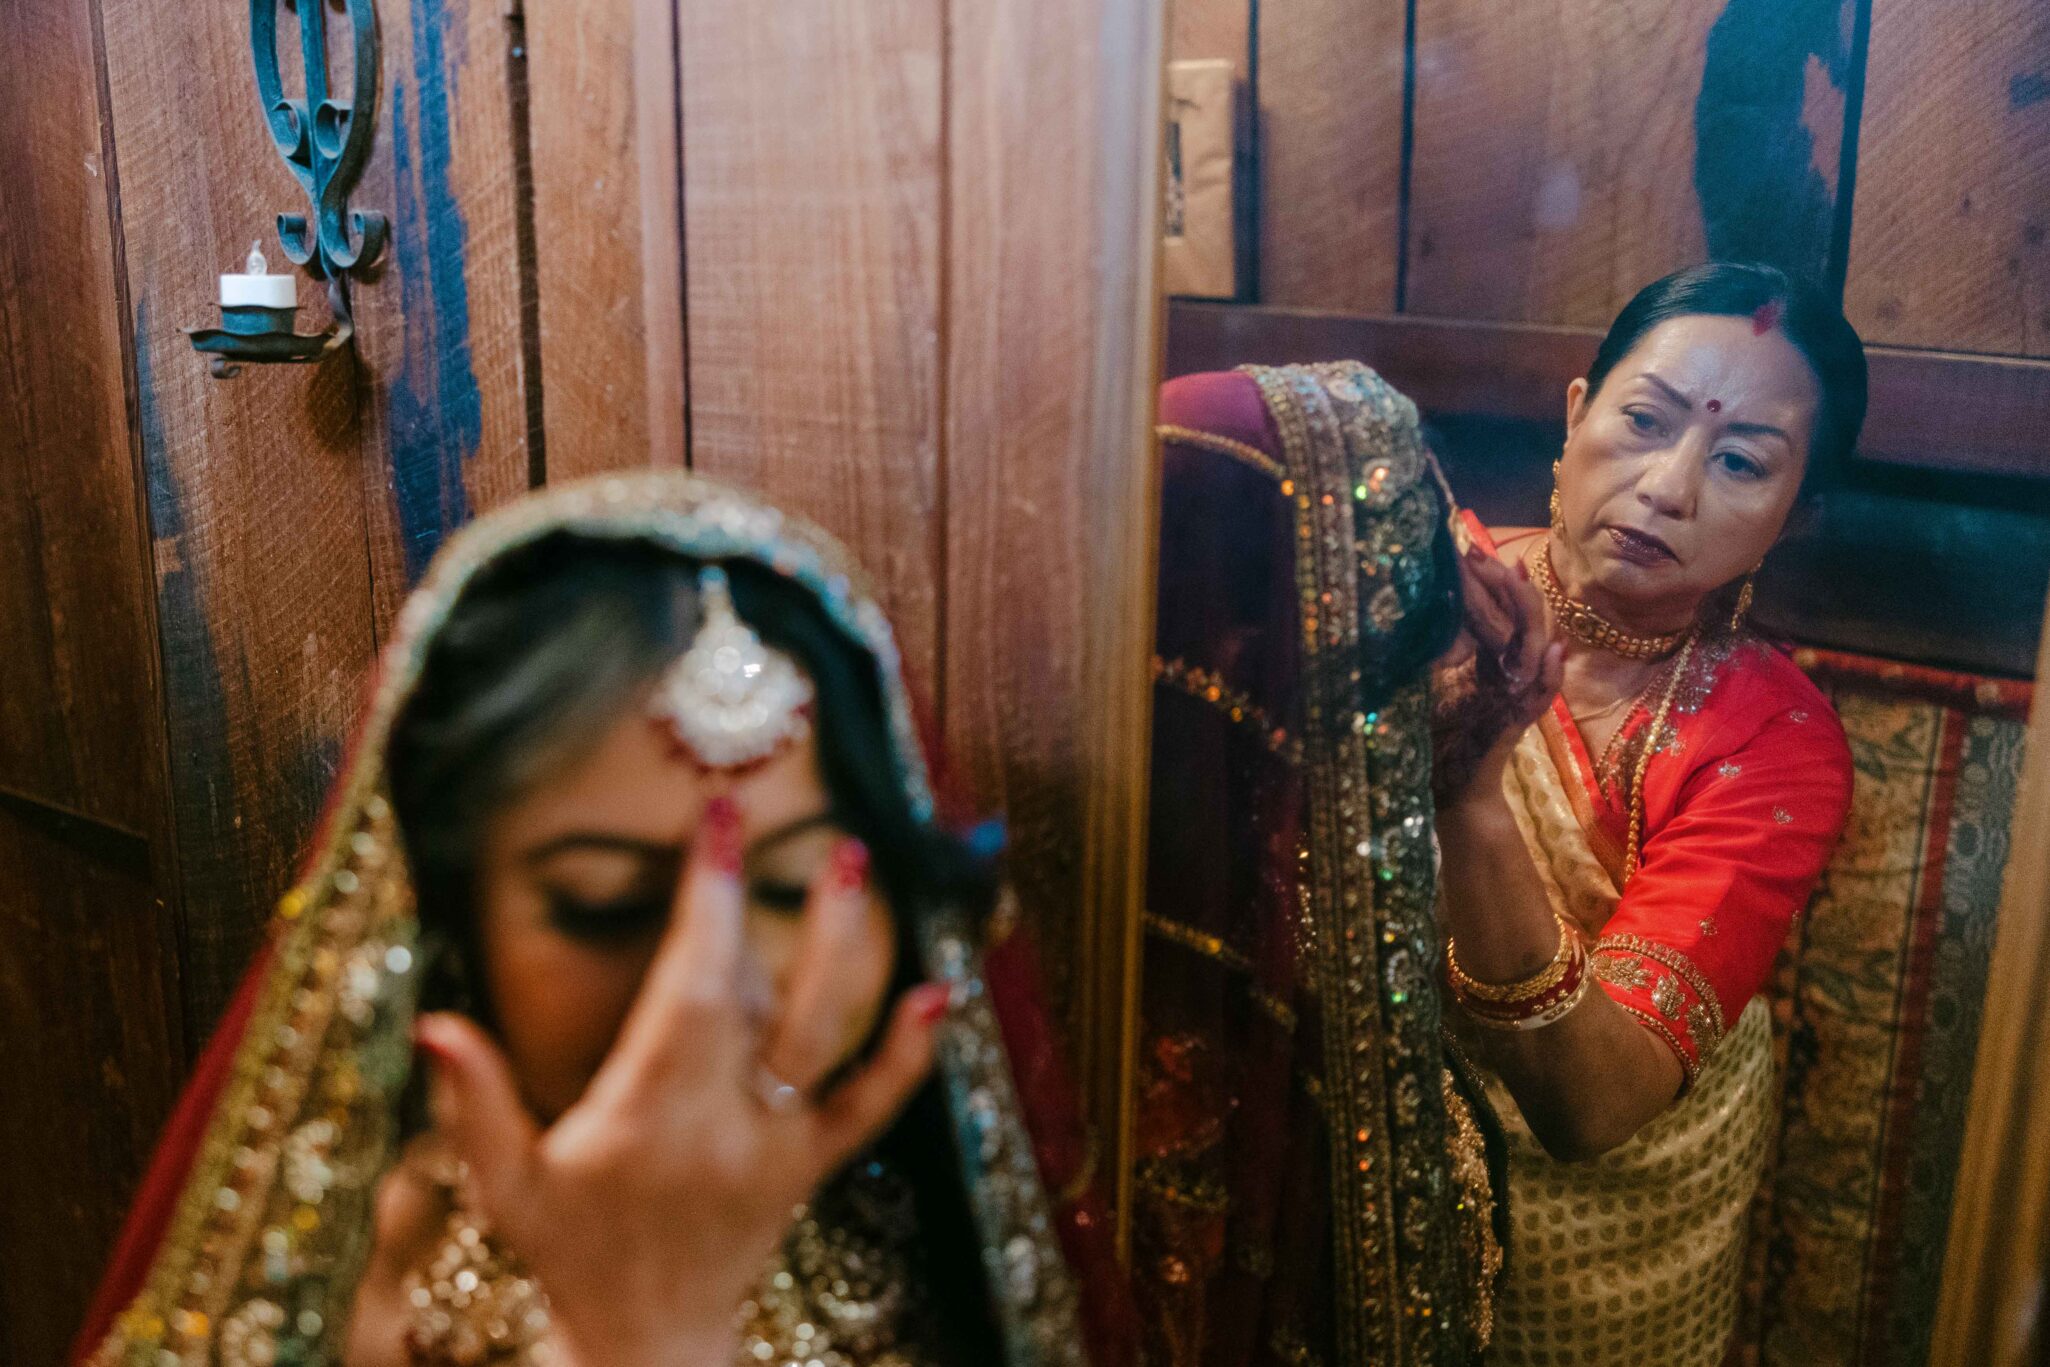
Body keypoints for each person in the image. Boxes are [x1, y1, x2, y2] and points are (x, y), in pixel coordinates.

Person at [75, 474, 1129, 1367]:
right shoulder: (359, 1271)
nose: (713, 977)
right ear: (444, 918)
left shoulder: (951, 1233)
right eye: (604, 905)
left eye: (795, 884)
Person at [1430, 262, 1865, 1364]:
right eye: (1643, 420)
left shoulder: (1773, 742)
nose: (1668, 487)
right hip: (1353, 1150)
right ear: (1577, 415)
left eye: (1738, 462)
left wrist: (1473, 798)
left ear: (1796, 516)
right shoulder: (1427, 590)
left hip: (1608, 1235)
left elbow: (1595, 1101)